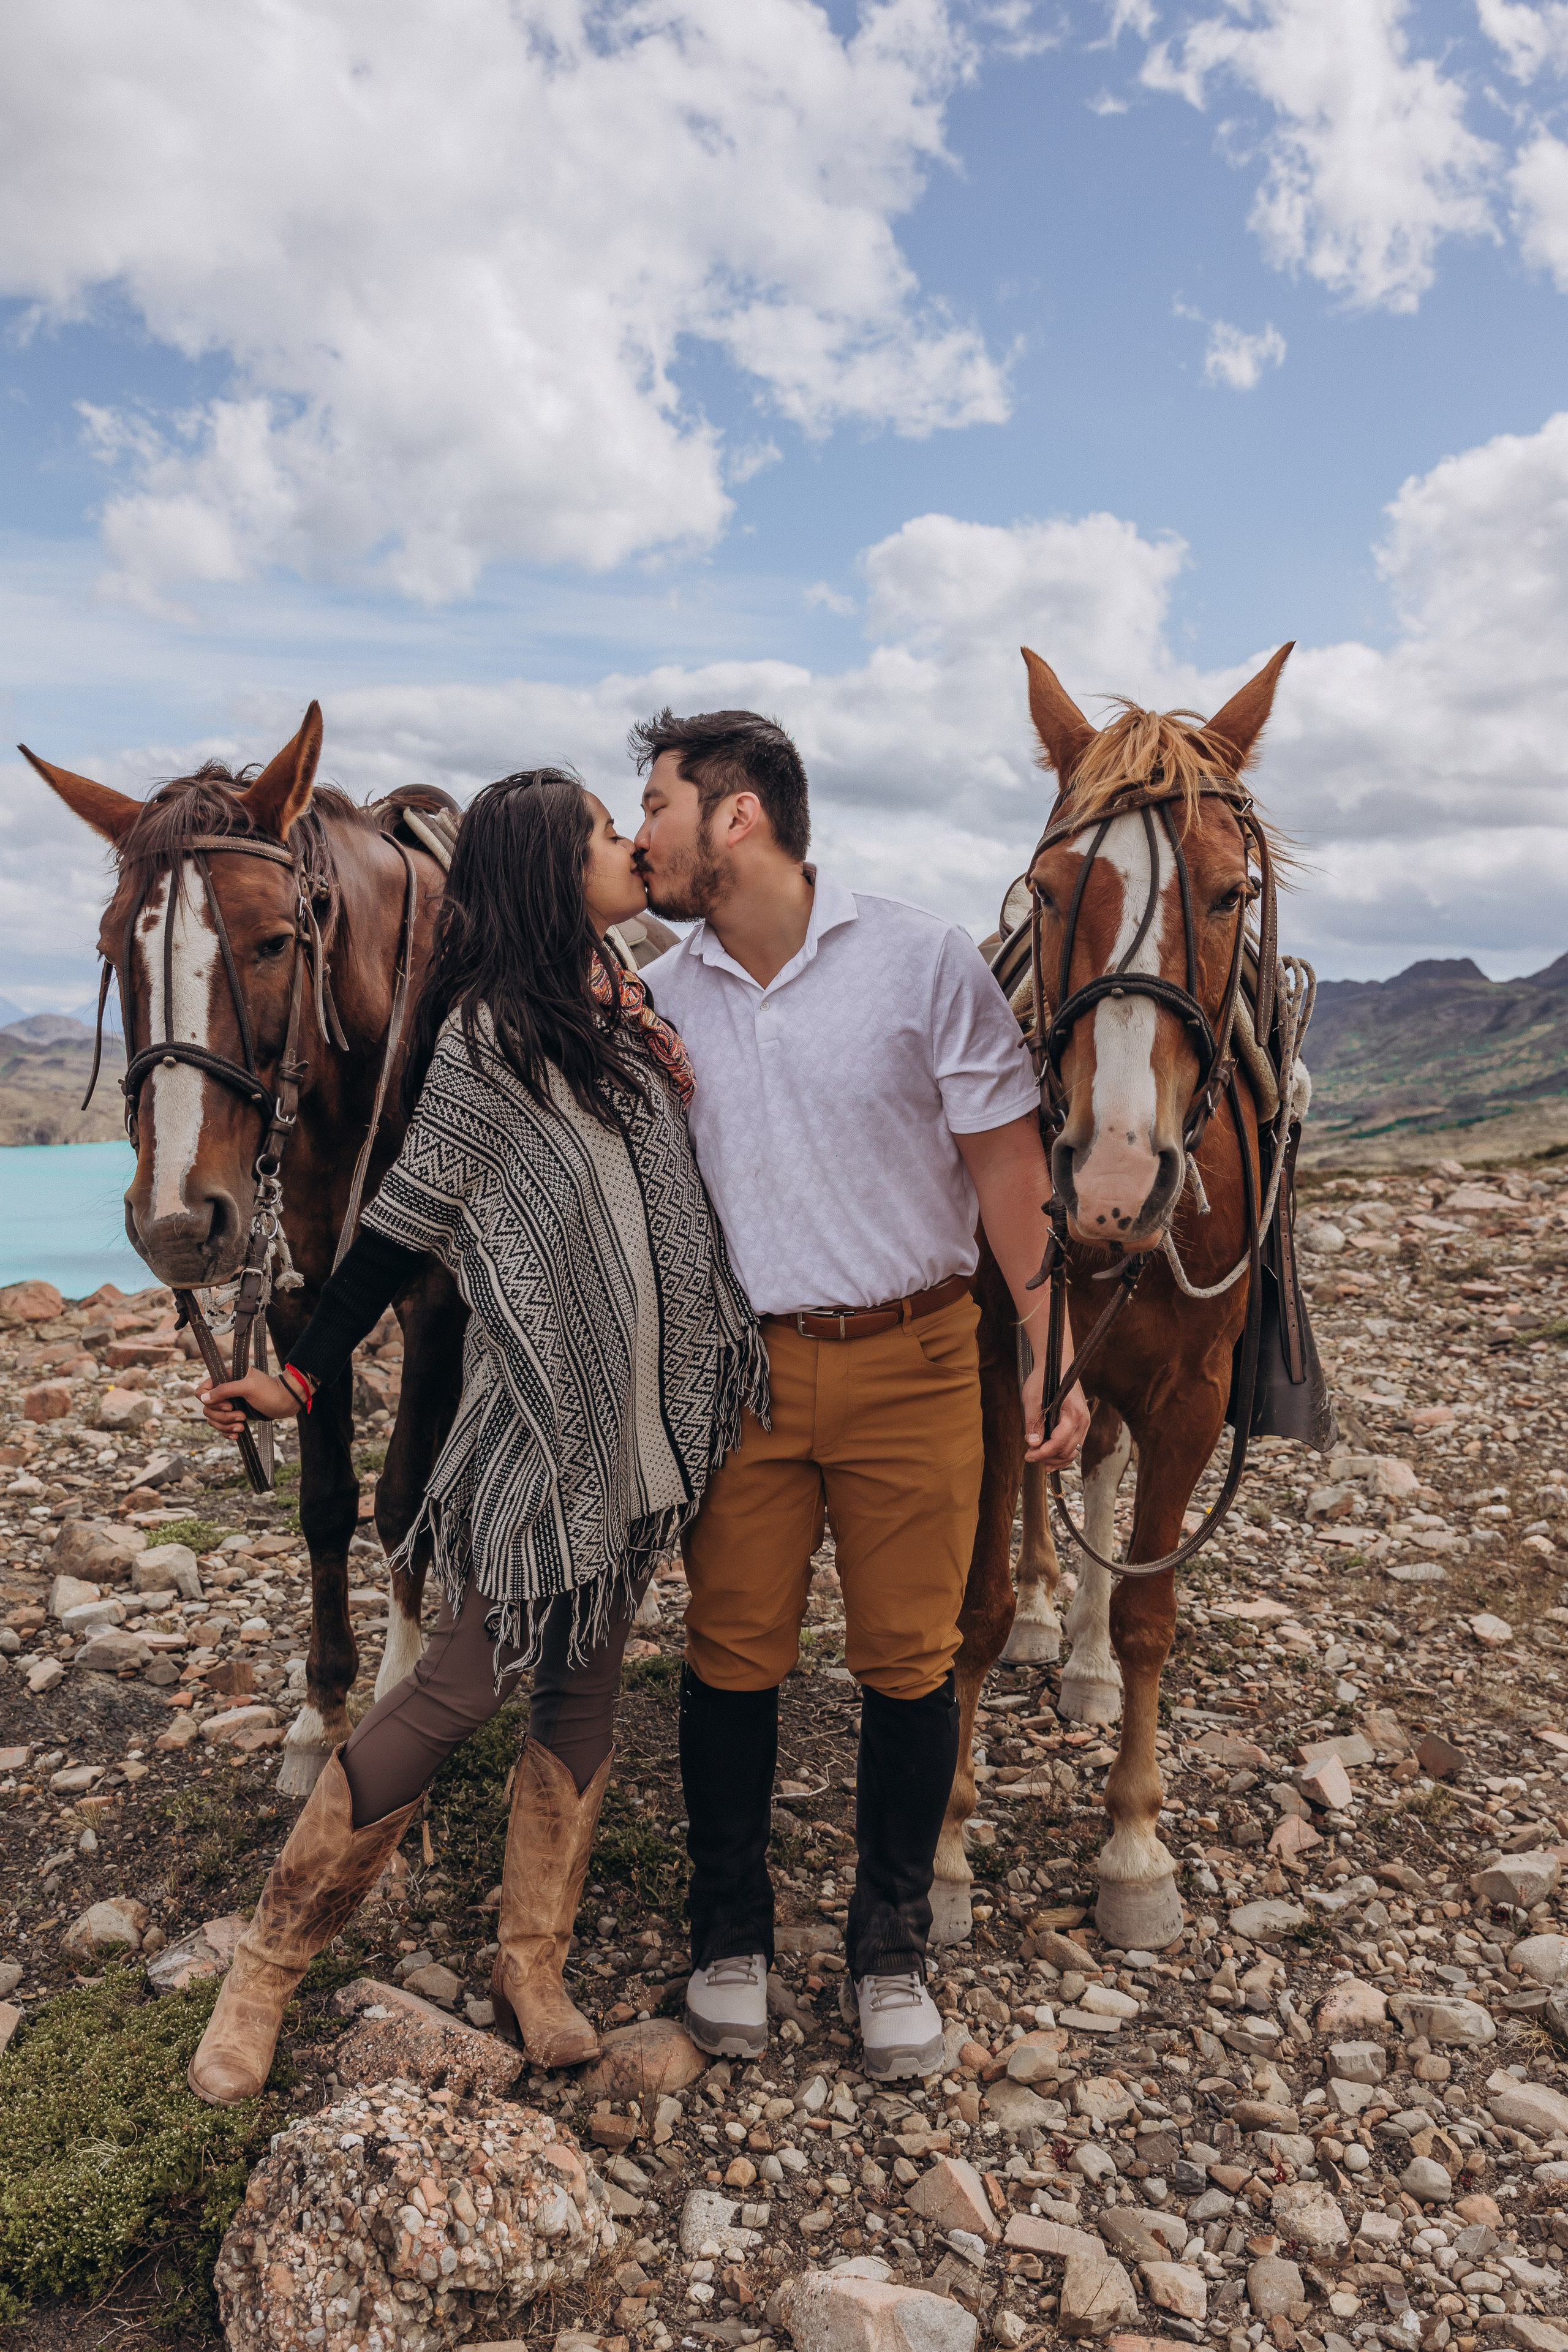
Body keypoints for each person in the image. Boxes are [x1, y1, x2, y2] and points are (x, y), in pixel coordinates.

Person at [185, 770, 766, 2107]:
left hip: (637, 1440)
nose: (631, 847)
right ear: (549, 874)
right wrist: (299, 1373)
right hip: (540, 1438)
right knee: (452, 1691)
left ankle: (533, 1967)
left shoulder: (618, 1024)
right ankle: (264, 1970)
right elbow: (397, 1223)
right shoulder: (488, 1039)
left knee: (583, 1691)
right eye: (606, 839)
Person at [631, 708, 1089, 2081]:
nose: (636, 830)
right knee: (729, 1659)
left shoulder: (919, 957)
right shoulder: (659, 991)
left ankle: (886, 1948)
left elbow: (1008, 1168)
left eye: (652, 802)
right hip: (745, 1374)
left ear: (735, 817)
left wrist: (1045, 1344)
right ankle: (731, 1938)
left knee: (909, 1660)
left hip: (915, 1358)